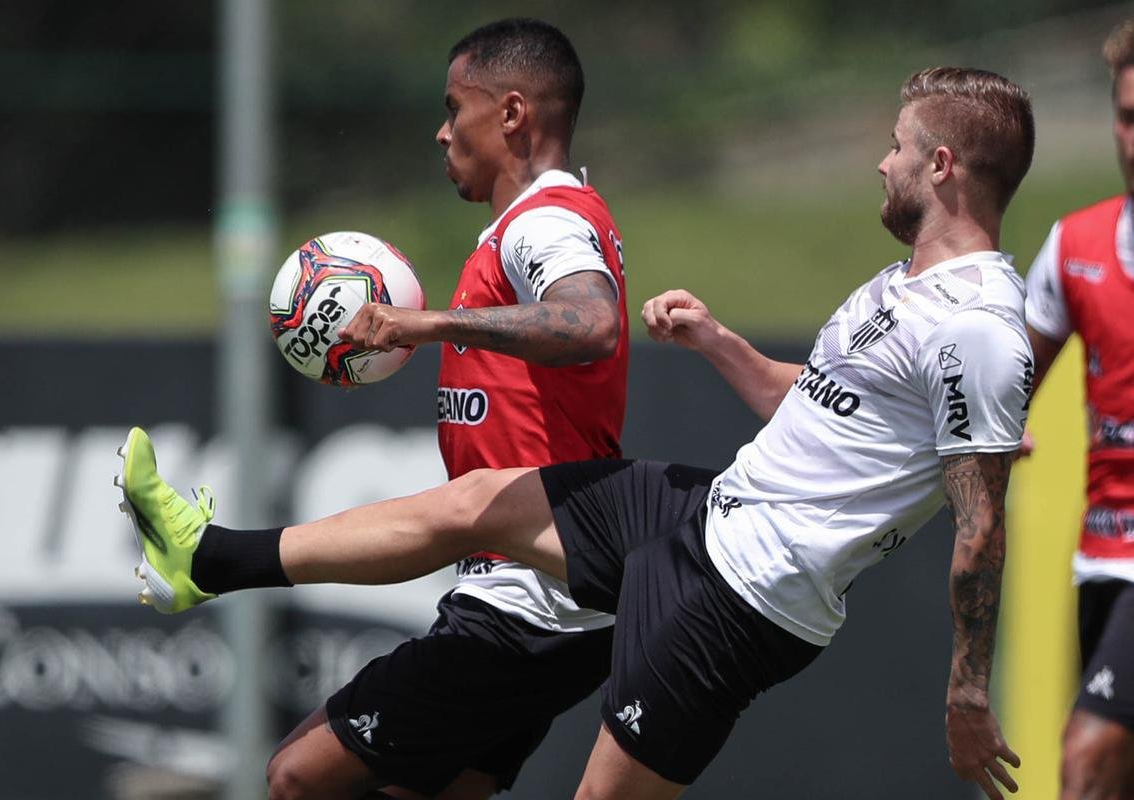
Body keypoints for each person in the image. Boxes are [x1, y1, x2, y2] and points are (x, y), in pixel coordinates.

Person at [117, 67, 1034, 799]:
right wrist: (717, 343)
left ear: (942, 165)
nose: (881, 162)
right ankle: (212, 557)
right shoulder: (900, 283)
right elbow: (815, 404)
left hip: (748, 599)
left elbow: (981, 528)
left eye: (896, 146)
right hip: (708, 515)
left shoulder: (980, 326)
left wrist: (963, 694)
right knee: (479, 502)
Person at [175, 18, 628, 800]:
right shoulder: (529, 225)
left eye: (457, 108)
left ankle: (215, 559)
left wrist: (427, 324)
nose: (442, 130)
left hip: (530, 601)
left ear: (512, 114)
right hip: (552, 597)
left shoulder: (545, 222)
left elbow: (590, 324)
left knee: (295, 777)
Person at [1022, 18, 1134, 800]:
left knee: (1086, 759)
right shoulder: (1073, 246)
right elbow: (1002, 389)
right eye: (1128, 116)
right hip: (1100, 559)